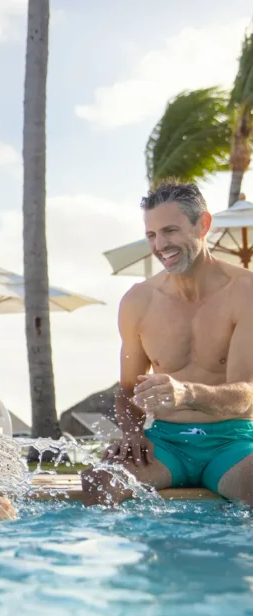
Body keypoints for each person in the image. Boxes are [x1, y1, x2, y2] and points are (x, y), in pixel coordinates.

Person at [81, 180, 253, 507]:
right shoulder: (137, 302)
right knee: (99, 480)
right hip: (165, 444)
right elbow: (127, 390)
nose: (160, 245)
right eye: (151, 235)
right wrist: (132, 433)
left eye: (170, 231)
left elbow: (246, 395)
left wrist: (188, 392)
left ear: (203, 224)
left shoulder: (245, 292)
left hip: (232, 443)